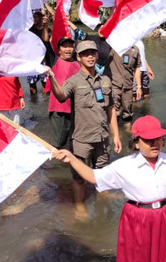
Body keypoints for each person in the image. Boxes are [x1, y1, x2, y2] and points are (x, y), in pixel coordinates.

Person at [52, 115, 166, 262]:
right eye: (148, 140)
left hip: (165, 216)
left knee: (165, 254)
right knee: (138, 255)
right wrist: (71, 159)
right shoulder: (124, 166)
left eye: (158, 138)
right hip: (137, 217)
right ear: (136, 143)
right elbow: (93, 177)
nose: (154, 143)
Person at [48, 40, 122, 219]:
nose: (90, 56)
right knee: (78, 177)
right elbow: (60, 96)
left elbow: (110, 108)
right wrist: (51, 77)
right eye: (85, 54)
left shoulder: (105, 80)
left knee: (102, 172)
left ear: (97, 56)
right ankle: (80, 206)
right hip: (82, 139)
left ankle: (102, 199)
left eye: (93, 53)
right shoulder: (73, 81)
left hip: (103, 138)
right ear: (79, 57)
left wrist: (116, 135)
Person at [45, 36, 80, 149]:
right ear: (59, 50)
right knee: (58, 143)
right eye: (65, 46)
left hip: (75, 109)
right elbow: (46, 44)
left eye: (70, 46)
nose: (68, 49)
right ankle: (53, 165)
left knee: (73, 141)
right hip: (59, 109)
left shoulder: (78, 64)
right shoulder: (54, 60)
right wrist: (45, 26)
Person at [107, 45, 141, 129]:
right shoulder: (113, 46)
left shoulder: (135, 49)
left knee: (128, 112)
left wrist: (139, 86)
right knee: (114, 111)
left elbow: (137, 68)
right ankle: (114, 133)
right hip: (114, 84)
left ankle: (128, 132)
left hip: (128, 86)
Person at [28, 10, 49, 95]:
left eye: (36, 17)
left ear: (41, 18)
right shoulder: (29, 29)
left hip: (43, 59)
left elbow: (46, 41)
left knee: (44, 83)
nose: (34, 19)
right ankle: (34, 101)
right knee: (32, 84)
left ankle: (45, 101)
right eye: (33, 17)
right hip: (32, 60)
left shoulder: (46, 30)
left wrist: (45, 26)